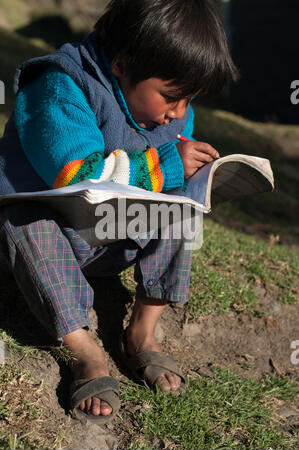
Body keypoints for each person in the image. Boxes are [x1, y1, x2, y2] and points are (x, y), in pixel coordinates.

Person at [0, 0, 238, 424]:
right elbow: (75, 172)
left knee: (180, 209)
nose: (179, 113)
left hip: (113, 240)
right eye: (171, 97)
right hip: (50, 242)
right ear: (124, 65)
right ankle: (83, 348)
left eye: (189, 100)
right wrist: (163, 165)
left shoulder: (169, 110)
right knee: (23, 219)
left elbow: (169, 173)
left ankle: (142, 330)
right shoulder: (59, 85)